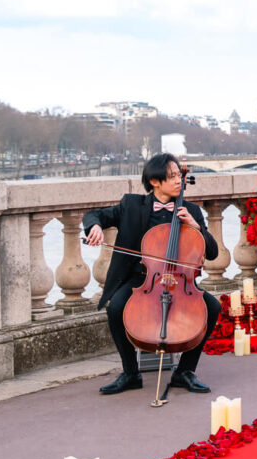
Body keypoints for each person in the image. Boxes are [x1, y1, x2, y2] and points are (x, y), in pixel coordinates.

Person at [82, 153, 222, 395]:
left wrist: (196, 227)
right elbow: (95, 215)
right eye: (172, 177)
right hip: (142, 278)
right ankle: (130, 373)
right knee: (116, 308)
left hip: (180, 280)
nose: (179, 181)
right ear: (155, 181)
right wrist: (94, 226)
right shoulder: (132, 205)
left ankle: (185, 371)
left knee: (212, 308)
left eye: (180, 175)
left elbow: (212, 253)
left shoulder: (191, 211)